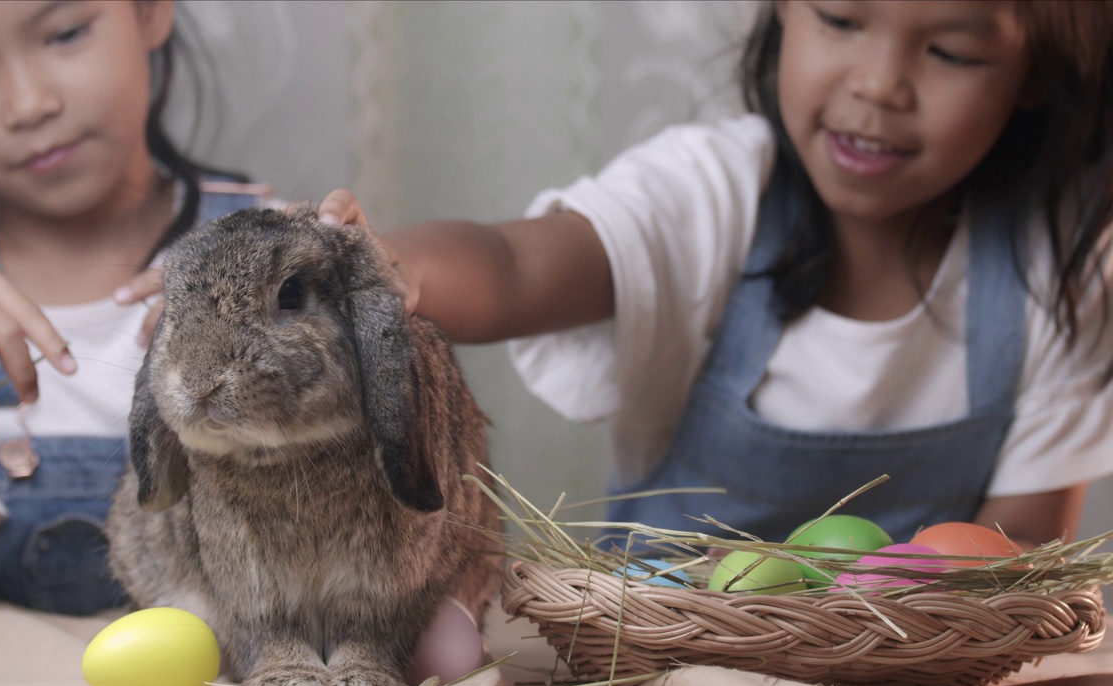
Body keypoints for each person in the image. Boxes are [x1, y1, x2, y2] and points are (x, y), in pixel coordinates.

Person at [318, 1, 1113, 551]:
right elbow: (521, 263)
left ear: (1038, 69)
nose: (879, 85)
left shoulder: (1061, 274)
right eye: (839, 18)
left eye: (952, 51)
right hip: (656, 677)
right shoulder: (717, 190)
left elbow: (1020, 551)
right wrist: (397, 269)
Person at [0, 0, 275, 635]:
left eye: (65, 34)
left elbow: (473, 275)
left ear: (150, 12)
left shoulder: (280, 260)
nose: (28, 104)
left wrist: (371, 264)